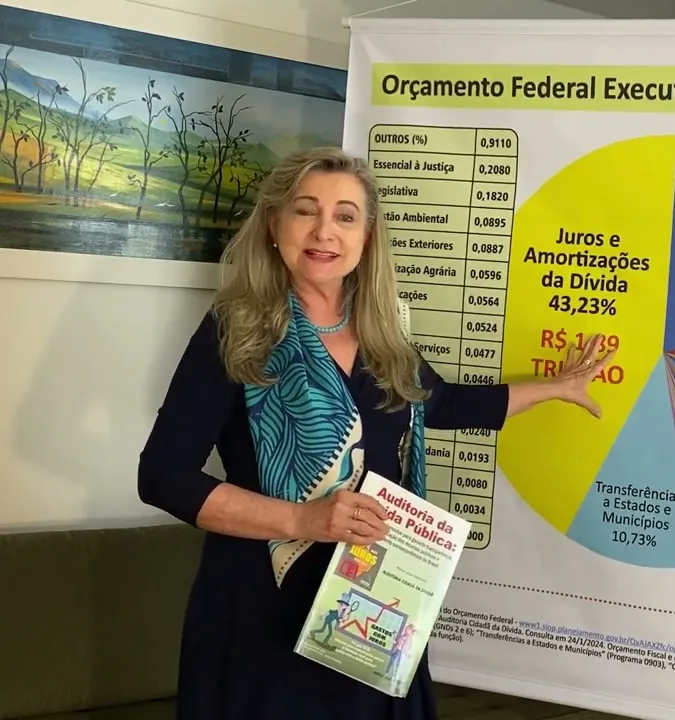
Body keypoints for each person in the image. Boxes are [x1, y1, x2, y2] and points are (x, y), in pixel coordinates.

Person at [137, 146, 614, 720]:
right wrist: (303, 520)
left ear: (366, 237)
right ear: (273, 225)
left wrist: (555, 387)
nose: (324, 231)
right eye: (305, 210)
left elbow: (441, 404)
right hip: (263, 611)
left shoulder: (384, 335)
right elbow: (162, 476)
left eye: (345, 216)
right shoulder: (234, 331)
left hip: (377, 604)